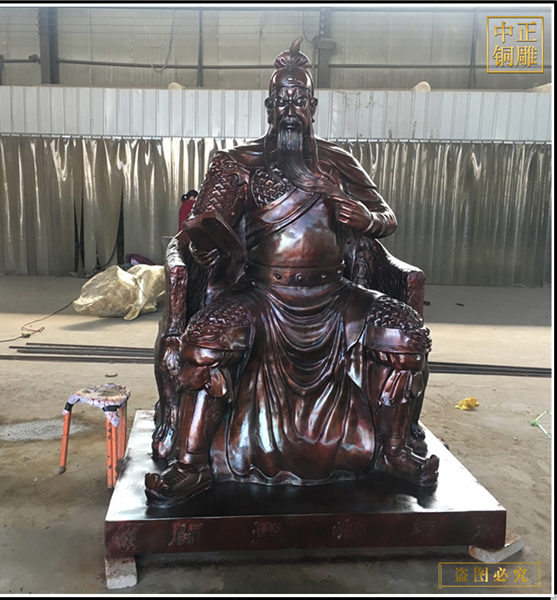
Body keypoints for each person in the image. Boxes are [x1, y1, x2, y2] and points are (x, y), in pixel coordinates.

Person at [146, 38, 438, 507]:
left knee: (405, 333)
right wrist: (204, 247)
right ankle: (191, 464)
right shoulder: (238, 163)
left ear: (312, 107)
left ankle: (393, 451)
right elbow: (201, 227)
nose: (289, 108)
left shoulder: (339, 162)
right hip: (262, 295)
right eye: (281, 99)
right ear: (269, 106)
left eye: (299, 99)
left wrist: (365, 219)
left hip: (336, 296)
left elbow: (387, 218)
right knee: (205, 342)